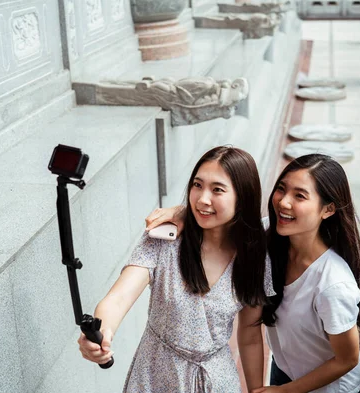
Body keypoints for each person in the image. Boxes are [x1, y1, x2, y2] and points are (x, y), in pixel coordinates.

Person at [146, 154, 360, 393]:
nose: (284, 202)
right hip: (284, 369)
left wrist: (286, 391)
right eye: (282, 189)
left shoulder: (333, 285)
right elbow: (220, 221)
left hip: (330, 387)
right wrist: (182, 213)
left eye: (300, 196)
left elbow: (347, 360)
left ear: (328, 209)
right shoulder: (266, 236)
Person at [78, 146, 275, 393]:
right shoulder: (165, 239)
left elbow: (249, 334)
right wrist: (103, 332)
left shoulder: (255, 255)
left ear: (243, 197)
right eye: (197, 185)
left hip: (217, 380)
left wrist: (257, 390)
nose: (203, 199)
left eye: (217, 190)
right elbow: (118, 298)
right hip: (156, 375)